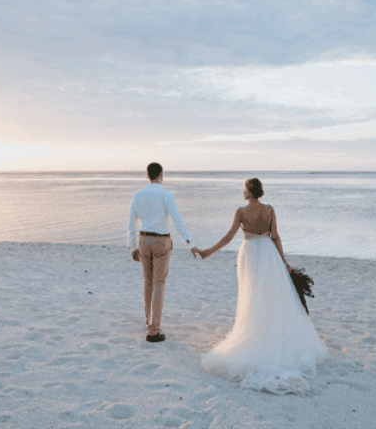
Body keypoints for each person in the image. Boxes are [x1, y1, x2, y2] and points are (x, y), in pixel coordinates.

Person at [197, 178, 326, 393]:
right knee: (270, 295)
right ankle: (269, 331)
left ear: (248, 191)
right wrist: (284, 263)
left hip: (250, 253)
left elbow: (230, 236)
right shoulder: (269, 210)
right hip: (268, 253)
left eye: (243, 188)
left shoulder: (240, 211)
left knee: (253, 296)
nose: (242, 191)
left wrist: (209, 251)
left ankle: (257, 331)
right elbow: (275, 237)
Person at [127, 162, 200, 343]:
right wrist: (189, 242)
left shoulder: (137, 195)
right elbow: (177, 219)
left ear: (147, 175)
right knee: (159, 284)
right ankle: (153, 330)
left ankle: (148, 322)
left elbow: (131, 224)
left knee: (148, 282)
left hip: (144, 239)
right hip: (161, 241)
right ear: (160, 175)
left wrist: (132, 245)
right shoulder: (166, 195)